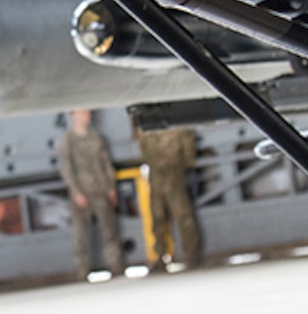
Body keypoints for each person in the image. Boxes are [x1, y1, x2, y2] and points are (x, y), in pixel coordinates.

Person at [57, 109, 124, 279]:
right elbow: (67, 170)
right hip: (82, 192)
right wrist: (76, 192)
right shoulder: (68, 140)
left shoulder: (97, 137)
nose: (87, 116)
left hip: (100, 190)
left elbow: (105, 163)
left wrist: (111, 187)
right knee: (81, 234)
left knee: (109, 230)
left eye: (87, 113)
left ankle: (115, 265)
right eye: (82, 113)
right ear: (74, 116)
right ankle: (82, 269)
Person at [137, 127, 202, 272]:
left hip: (173, 177)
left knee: (182, 217)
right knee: (159, 217)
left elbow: (188, 153)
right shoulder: (150, 129)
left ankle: (191, 255)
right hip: (161, 177)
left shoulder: (174, 128)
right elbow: (145, 153)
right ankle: (162, 256)